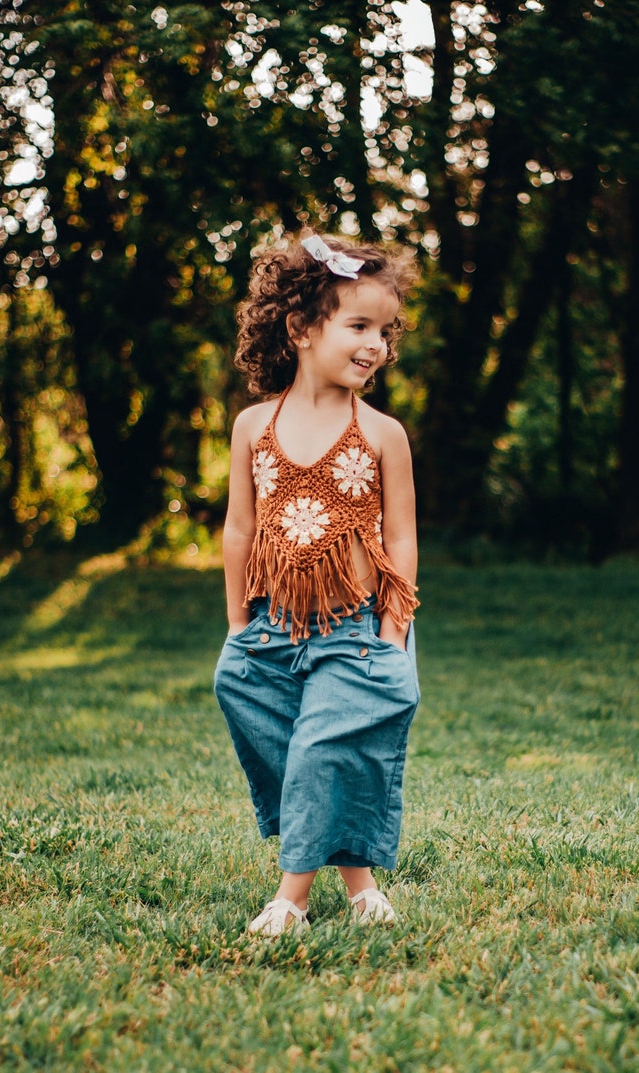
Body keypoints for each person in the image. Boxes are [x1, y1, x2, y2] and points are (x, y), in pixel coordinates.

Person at [213, 231, 421, 937]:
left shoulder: (383, 433)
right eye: (359, 325)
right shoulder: (253, 425)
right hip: (270, 622)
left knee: (319, 749)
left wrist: (393, 632)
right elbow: (239, 529)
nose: (376, 344)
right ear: (301, 328)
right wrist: (239, 623)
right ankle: (361, 886)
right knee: (248, 702)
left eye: (385, 331)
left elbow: (401, 539)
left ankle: (290, 899)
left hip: (356, 631)